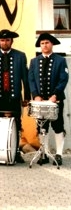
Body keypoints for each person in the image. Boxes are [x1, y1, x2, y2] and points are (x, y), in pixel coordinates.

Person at [28, 32, 69, 166]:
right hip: (40, 100)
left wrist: (55, 94)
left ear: (52, 44)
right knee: (41, 127)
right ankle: (43, 153)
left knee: (58, 126)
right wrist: (35, 95)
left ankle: (58, 154)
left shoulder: (60, 60)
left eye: (47, 43)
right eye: (42, 43)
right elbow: (31, 79)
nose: (44, 45)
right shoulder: (34, 61)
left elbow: (64, 79)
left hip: (55, 100)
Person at [0, 29, 28, 164]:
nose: (5, 42)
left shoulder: (20, 56)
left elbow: (25, 78)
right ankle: (0, 151)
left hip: (14, 97)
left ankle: (16, 152)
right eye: (2, 40)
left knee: (16, 124)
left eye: (7, 40)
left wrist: (26, 97)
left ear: (12, 41)